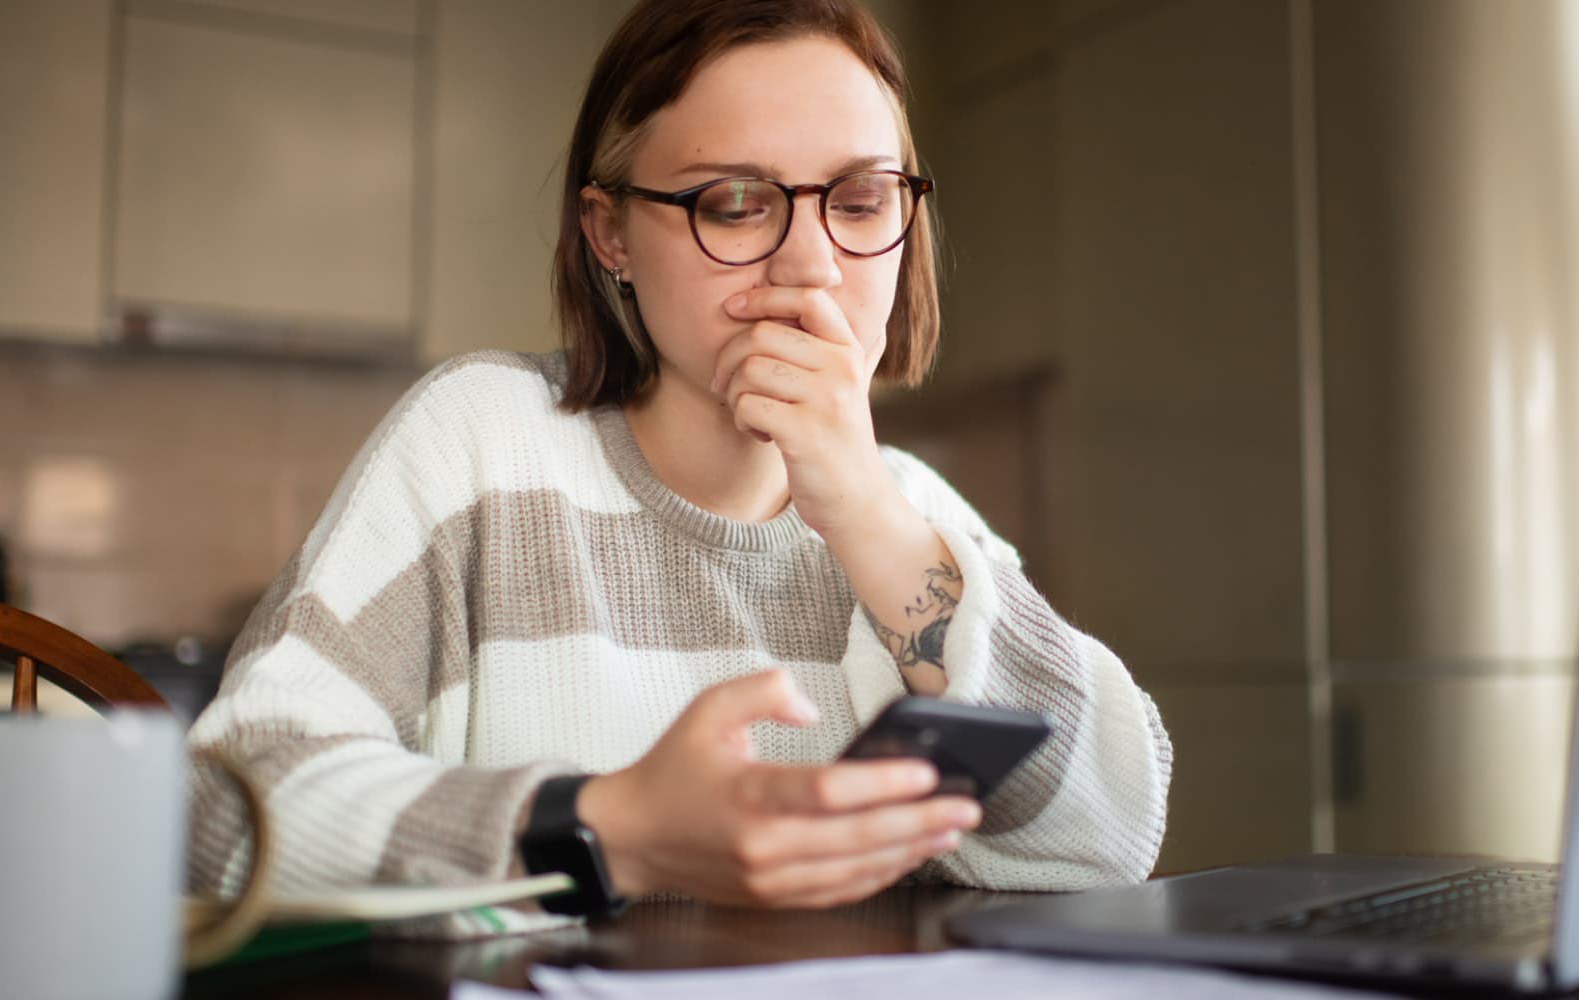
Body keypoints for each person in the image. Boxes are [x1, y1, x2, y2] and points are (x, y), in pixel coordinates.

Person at [186, 0, 1171, 937]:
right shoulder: (482, 444)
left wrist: (869, 516)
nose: (810, 265)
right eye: (734, 204)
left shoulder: (909, 514)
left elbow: (1110, 834)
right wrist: (612, 828)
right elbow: (221, 806)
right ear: (609, 233)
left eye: (861, 199)